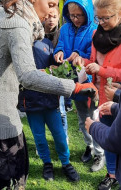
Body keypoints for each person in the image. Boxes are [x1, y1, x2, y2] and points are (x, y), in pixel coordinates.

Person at [0, 0, 98, 189]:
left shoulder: (3, 12)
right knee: (12, 180)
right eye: (51, 4)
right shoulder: (17, 24)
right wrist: (74, 87)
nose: (53, 11)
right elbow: (28, 76)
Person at [74, 0, 121, 189]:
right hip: (101, 98)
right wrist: (81, 61)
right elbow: (93, 62)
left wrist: (103, 70)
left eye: (105, 18)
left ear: (119, 14)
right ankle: (111, 174)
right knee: (108, 139)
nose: (100, 22)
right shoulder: (96, 35)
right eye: (98, 18)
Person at [18, 37, 79, 182]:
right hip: (31, 102)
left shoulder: (45, 42)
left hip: (51, 101)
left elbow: (56, 66)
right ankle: (47, 164)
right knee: (39, 137)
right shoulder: (19, 42)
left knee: (60, 135)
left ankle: (66, 163)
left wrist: (59, 66)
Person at [54, 0, 105, 171]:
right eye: (71, 15)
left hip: (89, 83)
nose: (75, 19)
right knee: (83, 118)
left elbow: (94, 54)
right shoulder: (65, 29)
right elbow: (60, 44)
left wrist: (80, 55)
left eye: (79, 15)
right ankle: (89, 146)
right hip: (72, 82)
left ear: (88, 12)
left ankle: (99, 153)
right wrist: (59, 52)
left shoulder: (94, 31)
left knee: (94, 118)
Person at [44, 6, 69, 142]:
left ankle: (64, 137)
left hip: (57, 74)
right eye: (48, 16)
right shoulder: (38, 32)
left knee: (61, 109)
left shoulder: (61, 33)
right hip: (42, 74)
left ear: (59, 17)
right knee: (44, 108)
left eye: (54, 17)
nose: (51, 20)